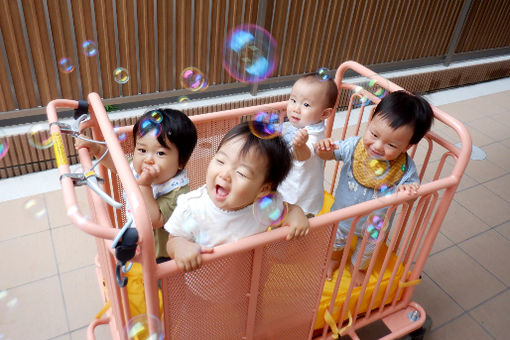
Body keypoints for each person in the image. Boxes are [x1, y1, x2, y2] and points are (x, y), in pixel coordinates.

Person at [315, 91, 434, 283]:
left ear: (408, 146)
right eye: (374, 134)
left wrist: (408, 192)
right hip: (342, 215)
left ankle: (356, 268)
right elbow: (330, 155)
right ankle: (333, 260)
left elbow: (412, 192)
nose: (377, 146)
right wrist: (324, 150)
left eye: (391, 145)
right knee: (335, 242)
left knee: (366, 250)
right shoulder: (355, 146)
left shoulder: (405, 167)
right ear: (369, 120)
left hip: (375, 225)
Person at [165, 121, 310, 272]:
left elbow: (288, 211)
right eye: (220, 161)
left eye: (241, 173)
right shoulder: (191, 206)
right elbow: (173, 240)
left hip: (250, 281)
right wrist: (181, 247)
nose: (225, 174)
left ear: (264, 189)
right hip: (202, 287)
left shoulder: (263, 205)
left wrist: (296, 213)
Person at [75, 108, 197, 263]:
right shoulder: (137, 168)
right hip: (141, 242)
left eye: (160, 153)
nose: (148, 159)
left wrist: (144, 186)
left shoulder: (178, 193)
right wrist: (98, 149)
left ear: (181, 162)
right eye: (142, 150)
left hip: (162, 254)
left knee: (162, 285)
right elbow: (118, 165)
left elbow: (154, 220)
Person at [278, 73, 339, 216]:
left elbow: (304, 155)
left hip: (301, 201)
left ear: (324, 114)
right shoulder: (297, 124)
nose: (295, 108)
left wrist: (300, 146)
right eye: (293, 100)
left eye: (306, 104)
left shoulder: (314, 134)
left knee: (295, 230)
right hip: (285, 188)